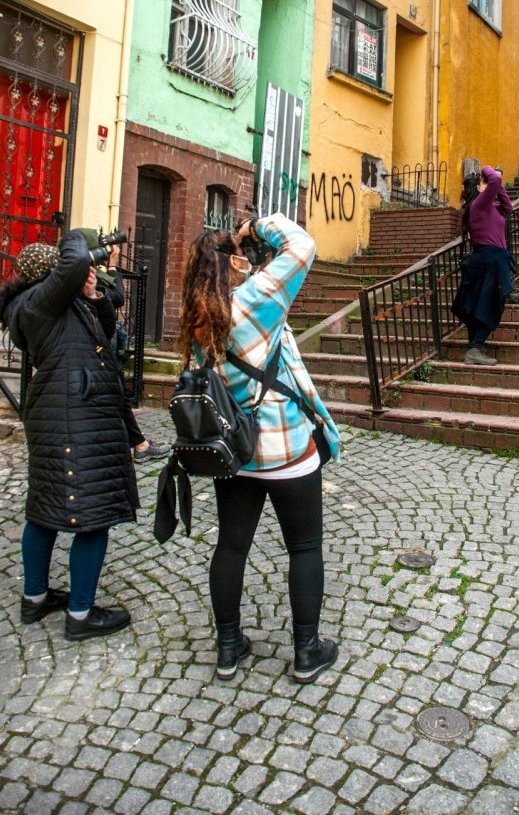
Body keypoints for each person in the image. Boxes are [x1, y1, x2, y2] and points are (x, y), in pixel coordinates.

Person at [178, 212, 341, 684]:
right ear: (233, 263)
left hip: (234, 450)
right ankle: (307, 650)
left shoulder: (197, 317)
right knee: (305, 547)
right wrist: (254, 226)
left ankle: (229, 648)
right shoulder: (254, 300)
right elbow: (301, 245)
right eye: (240, 256)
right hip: (287, 448)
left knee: (231, 546)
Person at [0, 230, 139, 641]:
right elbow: (74, 262)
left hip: (63, 414)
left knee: (44, 508)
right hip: (73, 417)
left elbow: (107, 335)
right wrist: (79, 237)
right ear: (50, 275)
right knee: (91, 515)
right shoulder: (39, 301)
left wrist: (94, 298)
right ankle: (80, 615)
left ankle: (36, 598)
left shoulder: (57, 305)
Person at [80, 231, 170, 464]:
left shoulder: (86, 274)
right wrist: (112, 266)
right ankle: (138, 444)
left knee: (115, 393)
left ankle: (139, 443)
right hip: (94, 342)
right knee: (112, 393)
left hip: (96, 341)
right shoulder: (86, 275)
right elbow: (118, 297)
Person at [452, 165, 515, 365]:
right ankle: (475, 349)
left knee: (478, 306)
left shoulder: (489, 209)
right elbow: (494, 181)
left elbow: (508, 208)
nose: (489, 185)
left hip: (491, 259)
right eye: (484, 183)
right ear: (479, 188)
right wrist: (488, 169)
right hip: (489, 259)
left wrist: (499, 186)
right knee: (492, 304)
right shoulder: (478, 205)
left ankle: (474, 349)